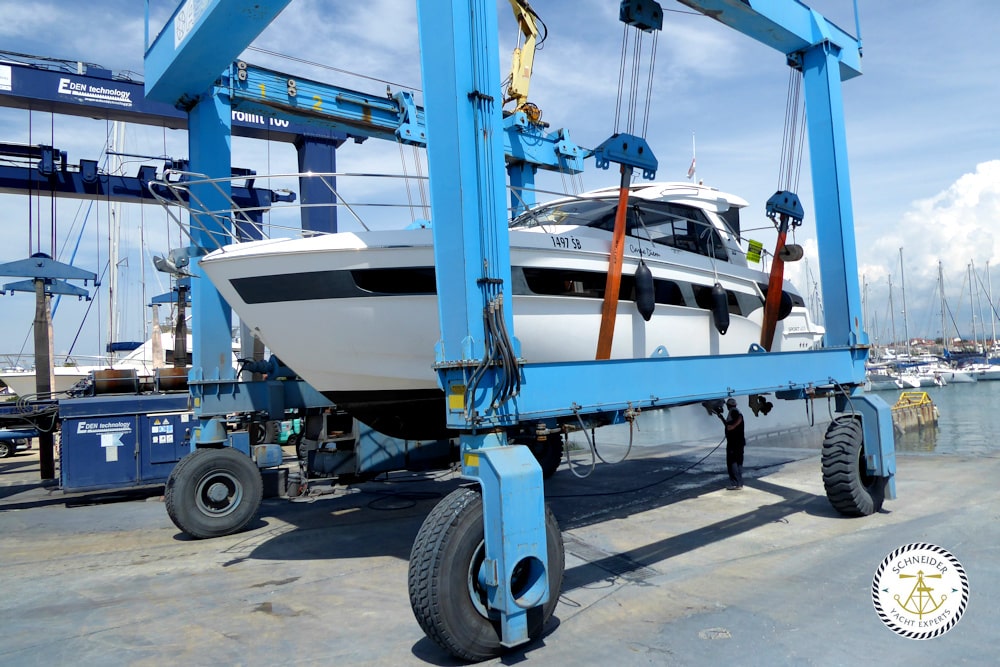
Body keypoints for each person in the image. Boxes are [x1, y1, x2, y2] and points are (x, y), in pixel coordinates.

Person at [719, 397, 745, 490]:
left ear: (728, 406)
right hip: (738, 442)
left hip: (734, 443)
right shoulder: (734, 411)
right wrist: (721, 417)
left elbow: (739, 418)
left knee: (732, 463)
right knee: (738, 462)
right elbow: (727, 424)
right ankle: (739, 483)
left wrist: (733, 427)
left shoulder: (734, 411)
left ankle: (735, 483)